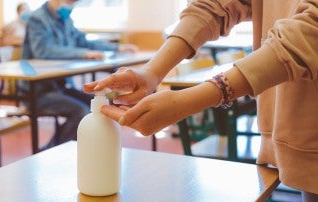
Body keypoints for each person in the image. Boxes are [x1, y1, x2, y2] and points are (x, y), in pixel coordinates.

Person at [84, 0, 318, 201]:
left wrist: (191, 100)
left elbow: (310, 30)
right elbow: (216, 5)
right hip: (294, 124)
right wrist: (151, 72)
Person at [20, 0, 138, 150]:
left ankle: (81, 151)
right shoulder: (37, 19)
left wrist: (117, 47)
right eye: (69, 1)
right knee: (80, 112)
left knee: (98, 106)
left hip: (60, 86)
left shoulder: (65, 20)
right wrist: (85, 54)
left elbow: (84, 42)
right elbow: (43, 50)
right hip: (38, 91)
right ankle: (50, 153)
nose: (71, 5)